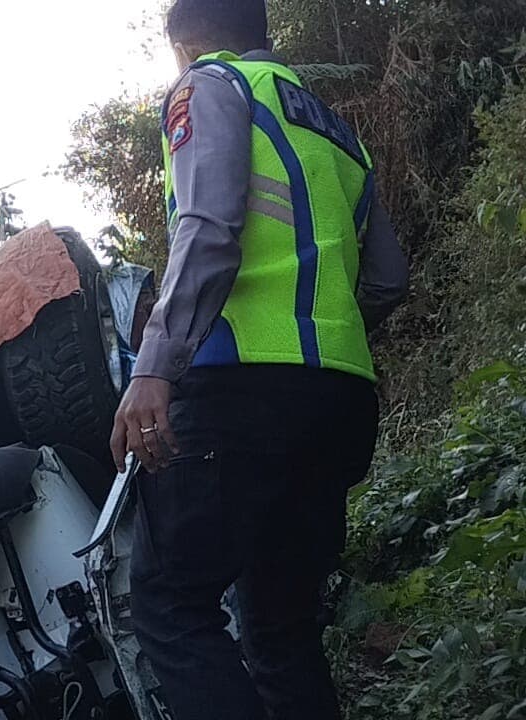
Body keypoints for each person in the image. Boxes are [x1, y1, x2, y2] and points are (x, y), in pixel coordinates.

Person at [109, 1, 409, 719]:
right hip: (338, 403)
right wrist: (317, 343)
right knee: (280, 626)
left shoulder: (212, 85)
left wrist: (153, 365)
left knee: (171, 604)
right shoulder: (337, 132)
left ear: (182, 45)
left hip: (238, 390)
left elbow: (207, 228)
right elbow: (389, 280)